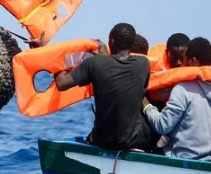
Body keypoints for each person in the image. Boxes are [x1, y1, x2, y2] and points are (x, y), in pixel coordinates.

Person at [54, 23, 151, 151]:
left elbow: (61, 84)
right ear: (132, 44)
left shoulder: (93, 63)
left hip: (102, 140)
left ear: (111, 41)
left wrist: (56, 64)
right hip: (133, 140)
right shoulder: (143, 64)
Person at [142, 37, 211, 161]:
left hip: (178, 159)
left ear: (192, 61)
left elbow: (162, 126)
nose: (180, 64)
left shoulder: (182, 89)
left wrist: (146, 105)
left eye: (183, 60)